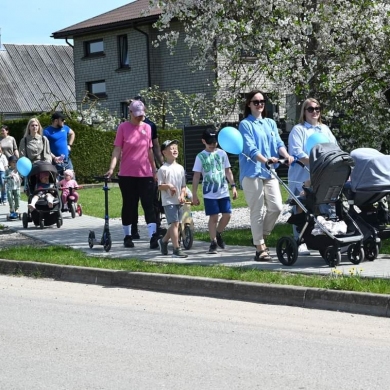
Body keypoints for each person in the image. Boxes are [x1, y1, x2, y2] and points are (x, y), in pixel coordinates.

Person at [238, 90, 294, 261]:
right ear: (249, 104)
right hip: (252, 171)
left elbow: (278, 142)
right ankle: (260, 248)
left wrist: (286, 155)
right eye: (256, 102)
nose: (260, 104)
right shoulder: (245, 124)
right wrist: (266, 160)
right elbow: (250, 148)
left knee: (276, 207)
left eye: (262, 101)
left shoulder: (270, 123)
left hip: (269, 171)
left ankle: (260, 235)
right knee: (257, 209)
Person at [105, 100, 160, 249]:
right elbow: (117, 150)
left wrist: (154, 170)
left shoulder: (148, 128)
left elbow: (149, 151)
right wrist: (111, 168)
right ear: (130, 113)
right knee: (129, 205)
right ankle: (127, 236)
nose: (140, 118)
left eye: (142, 115)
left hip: (145, 174)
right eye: (137, 115)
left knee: (149, 205)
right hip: (127, 174)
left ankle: (153, 237)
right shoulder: (123, 128)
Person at [288, 98, 338, 255]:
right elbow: (297, 153)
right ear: (304, 111)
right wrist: (317, 164)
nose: (315, 111)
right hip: (302, 175)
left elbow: (334, 148)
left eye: (317, 108)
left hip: (323, 176)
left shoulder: (325, 129)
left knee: (326, 205)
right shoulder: (299, 130)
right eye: (310, 109)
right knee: (301, 206)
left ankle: (328, 236)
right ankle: (300, 240)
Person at [192, 128, 238, 254]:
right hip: (209, 193)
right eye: (209, 142)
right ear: (203, 141)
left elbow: (228, 171)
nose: (213, 144)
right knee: (214, 217)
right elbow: (196, 176)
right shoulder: (200, 156)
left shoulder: (222, 154)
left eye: (214, 142)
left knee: (227, 215)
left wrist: (233, 186)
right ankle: (213, 242)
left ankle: (218, 233)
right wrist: (194, 194)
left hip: (223, 191)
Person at [130, 95, 165, 239]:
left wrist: (162, 164)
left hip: (148, 169)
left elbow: (155, 146)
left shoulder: (151, 126)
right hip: (132, 170)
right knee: (132, 201)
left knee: (151, 201)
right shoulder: (127, 126)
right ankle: (133, 229)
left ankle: (155, 228)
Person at [157, 139, 188, 258]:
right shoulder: (163, 169)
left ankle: (163, 241)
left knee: (176, 224)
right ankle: (176, 249)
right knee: (175, 223)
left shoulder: (180, 168)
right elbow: (159, 186)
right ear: (164, 152)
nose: (174, 150)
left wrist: (182, 195)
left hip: (178, 200)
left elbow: (183, 186)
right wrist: (169, 186)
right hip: (168, 201)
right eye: (171, 148)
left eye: (175, 147)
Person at [43, 112, 75, 176]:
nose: (64, 121)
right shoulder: (46, 132)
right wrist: (54, 157)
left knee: (71, 181)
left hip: (66, 161)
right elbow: (44, 148)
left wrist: (69, 145)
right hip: (54, 162)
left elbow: (72, 133)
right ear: (56, 121)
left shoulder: (65, 128)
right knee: (57, 183)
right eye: (62, 120)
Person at [1, 125, 19, 205]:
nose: (2, 132)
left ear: (7, 131)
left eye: (3, 130)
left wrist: (18, 159)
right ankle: (5, 198)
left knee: (14, 180)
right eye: (1, 130)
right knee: (4, 181)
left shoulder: (11, 139)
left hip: (12, 161)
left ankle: (15, 197)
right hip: (3, 162)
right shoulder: (0, 140)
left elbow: (15, 149)